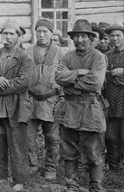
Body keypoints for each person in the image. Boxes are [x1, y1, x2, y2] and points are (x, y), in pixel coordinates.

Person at [55, 19, 108, 192]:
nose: (79, 39)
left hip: (90, 108)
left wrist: (70, 81)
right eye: (76, 36)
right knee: (68, 150)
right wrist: (78, 72)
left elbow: (95, 83)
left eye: (83, 35)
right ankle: (71, 184)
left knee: (93, 151)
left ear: (91, 38)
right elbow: (57, 77)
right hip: (69, 108)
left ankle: (96, 185)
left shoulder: (98, 57)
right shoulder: (67, 56)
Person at [0, 19, 33, 191]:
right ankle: (0, 177)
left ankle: (19, 180)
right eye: (5, 33)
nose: (8, 37)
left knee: (18, 146)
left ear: (18, 37)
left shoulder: (24, 57)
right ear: (1, 35)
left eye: (12, 34)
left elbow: (25, 81)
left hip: (16, 109)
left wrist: (1, 87)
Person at [24, 19, 64, 181]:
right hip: (31, 100)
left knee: (53, 138)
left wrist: (62, 98)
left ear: (51, 33)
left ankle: (50, 168)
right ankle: (32, 166)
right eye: (38, 31)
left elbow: (64, 77)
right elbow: (22, 76)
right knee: (28, 137)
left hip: (52, 100)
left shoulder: (60, 53)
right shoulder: (28, 51)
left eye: (45, 31)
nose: (41, 35)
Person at [104, 23, 124, 171]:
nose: (115, 38)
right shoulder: (106, 57)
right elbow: (101, 77)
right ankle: (113, 168)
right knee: (111, 137)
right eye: (112, 36)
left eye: (118, 35)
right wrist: (112, 74)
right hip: (110, 103)